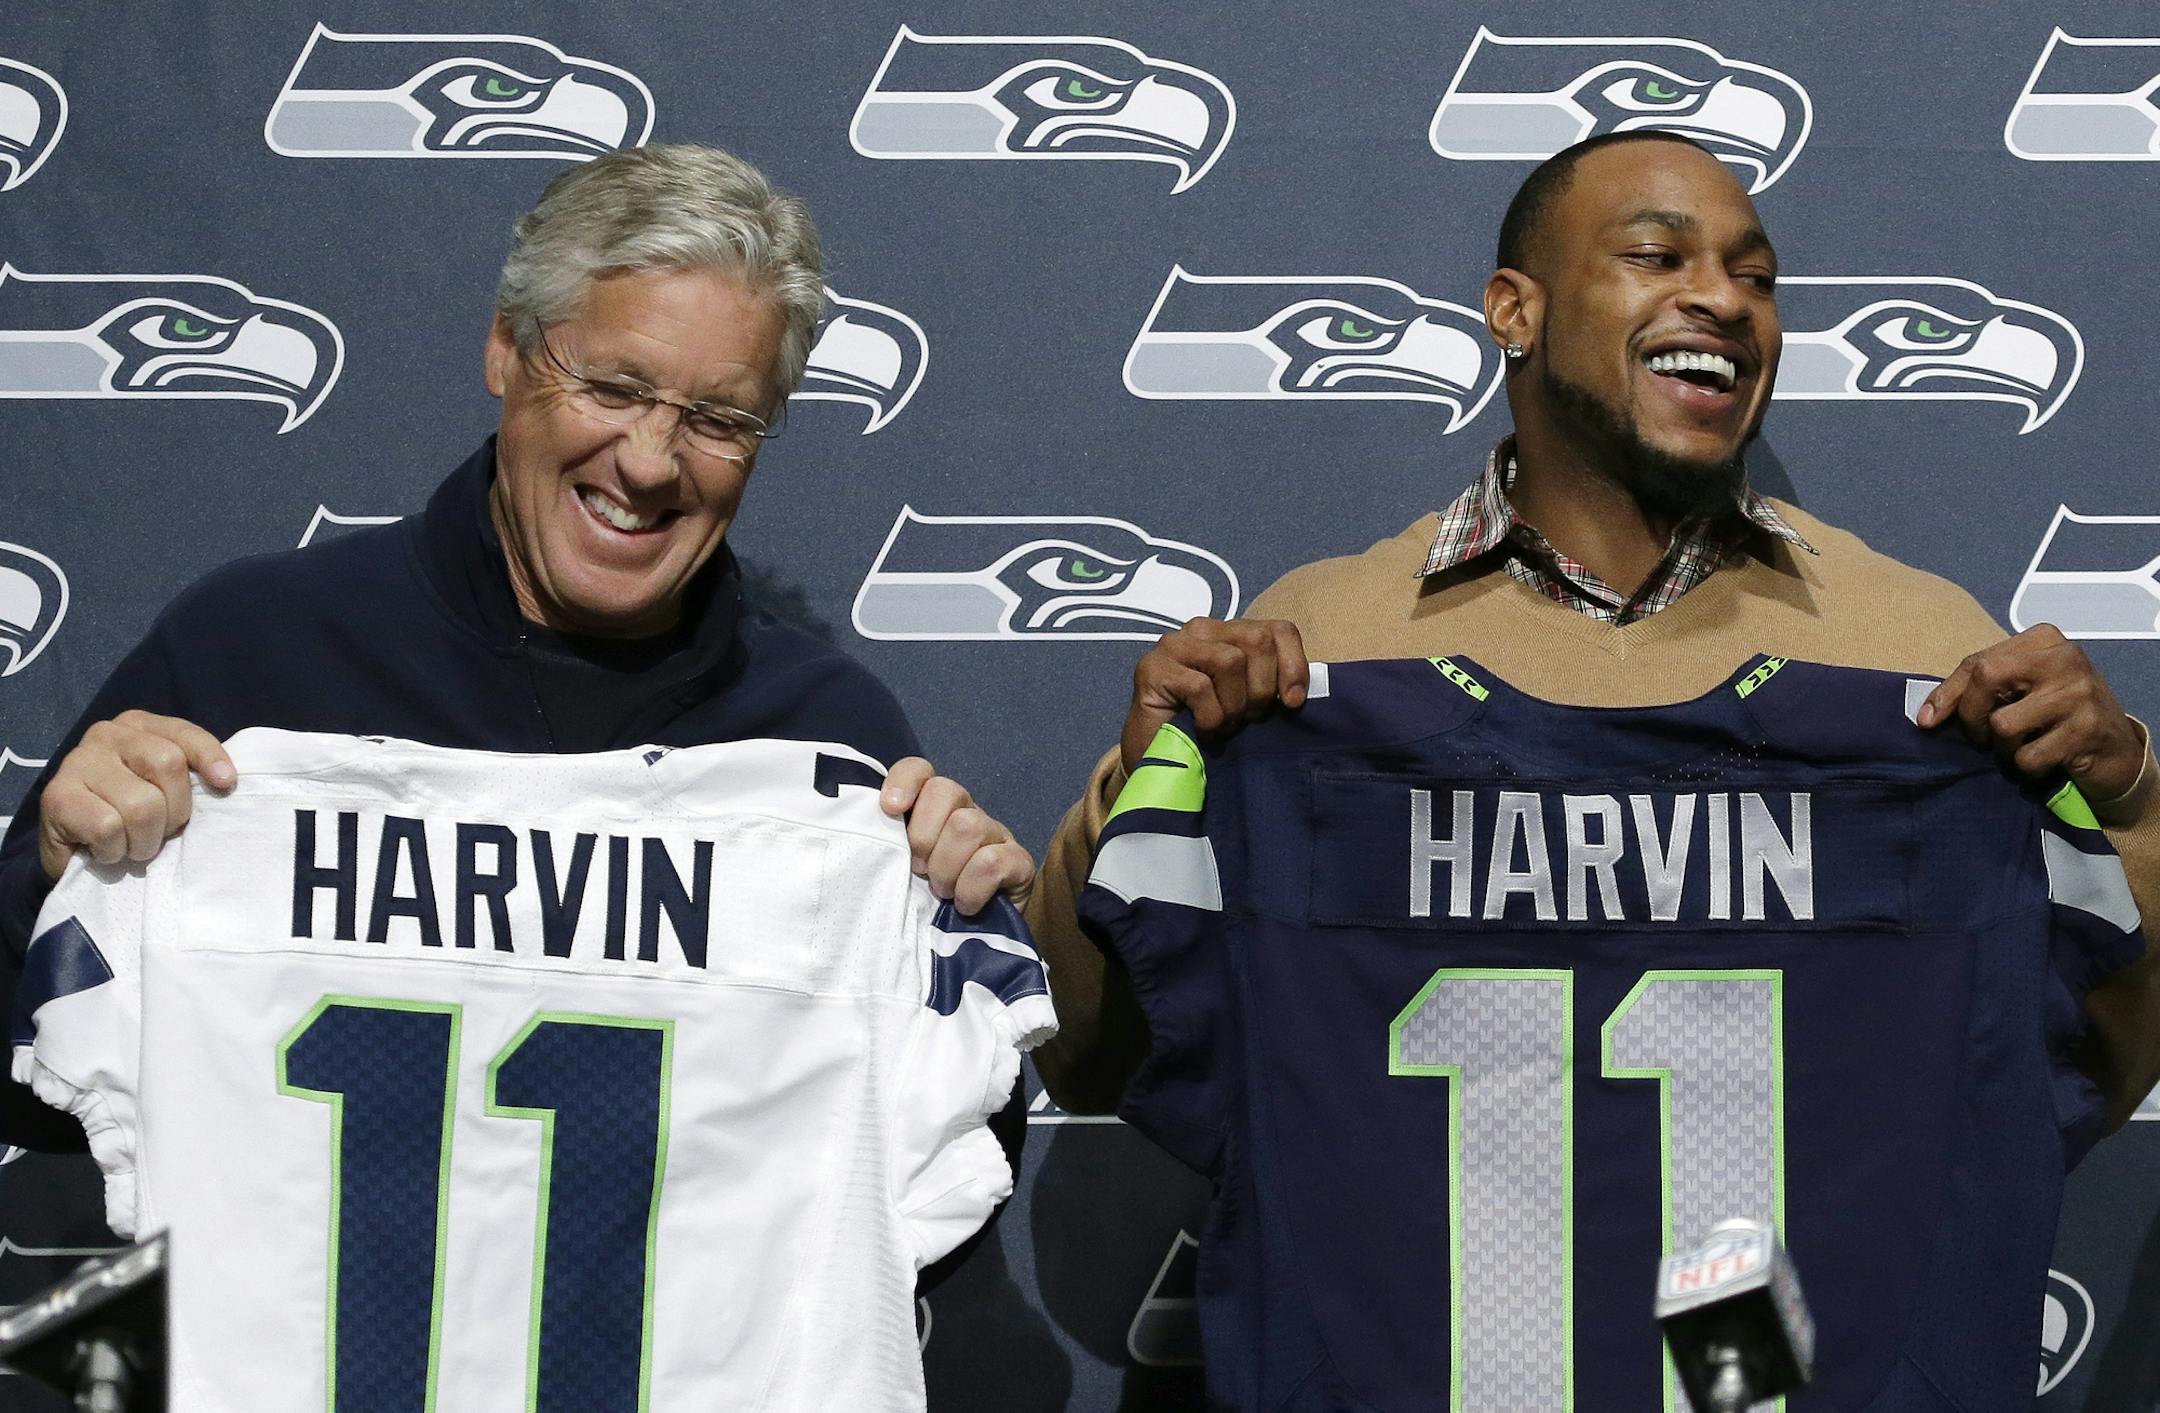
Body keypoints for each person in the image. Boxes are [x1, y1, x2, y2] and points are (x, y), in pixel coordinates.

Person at [1026, 129, 2160, 1121]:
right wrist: (1140, 788)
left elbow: (2083, 1070)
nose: (1724, 299)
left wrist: (2133, 801)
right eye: (1658, 258)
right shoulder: (1322, 641)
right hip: (1437, 1356)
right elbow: (1094, 1057)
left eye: (1756, 277)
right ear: (1514, 309)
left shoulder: (1914, 645)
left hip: (1769, 1359)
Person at [0, 142, 1036, 1149]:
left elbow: (934, 1181)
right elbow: (27, 1087)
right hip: (293, 1324)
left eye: (720, 417)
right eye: (614, 387)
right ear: (506, 349)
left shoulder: (829, 742)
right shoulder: (254, 654)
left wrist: (953, 932)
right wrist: (60, 876)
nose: (648, 461)